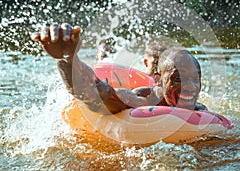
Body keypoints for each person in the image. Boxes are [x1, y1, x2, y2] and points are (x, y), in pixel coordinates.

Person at [31, 23, 207, 115]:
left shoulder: (201, 111)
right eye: (178, 79)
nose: (190, 86)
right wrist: (68, 58)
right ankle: (102, 54)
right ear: (158, 79)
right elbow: (96, 94)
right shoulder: (141, 100)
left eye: (195, 79)